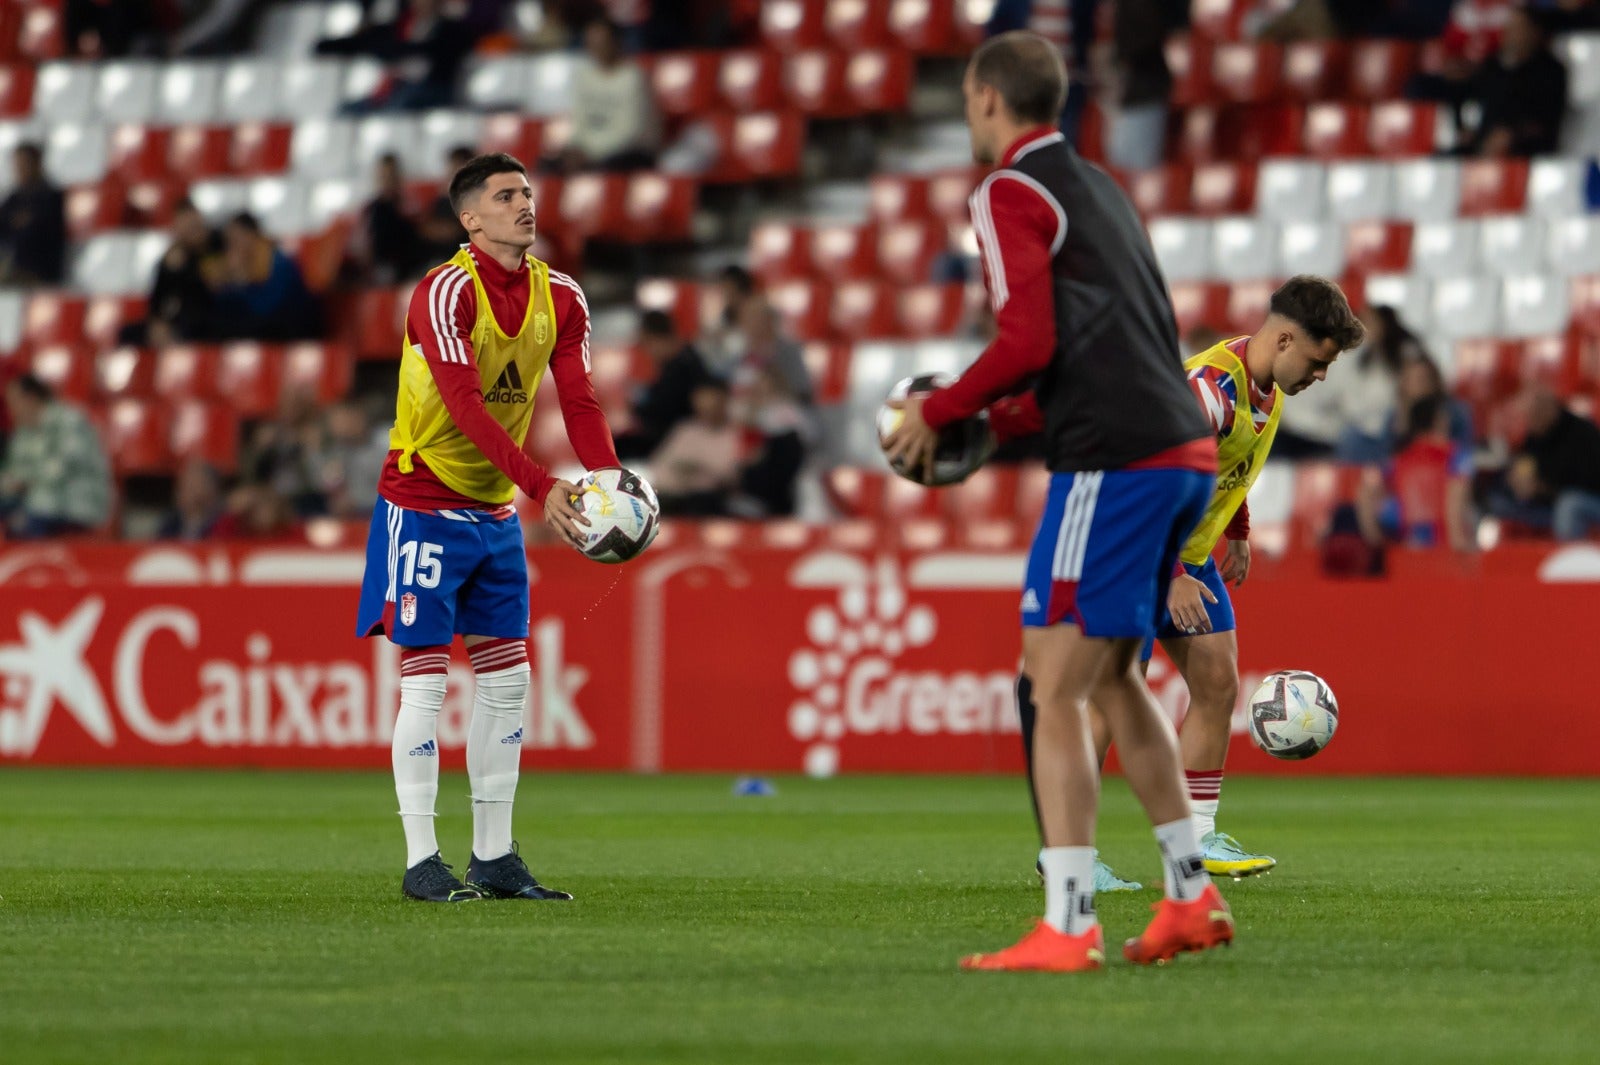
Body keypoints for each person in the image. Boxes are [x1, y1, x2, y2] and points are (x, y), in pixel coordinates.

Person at [884, 31, 1229, 973]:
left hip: (1112, 461)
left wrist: (941, 409)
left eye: (966, 97)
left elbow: (1028, 336)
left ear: (989, 98)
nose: (966, 114)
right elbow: (1125, 336)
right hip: (1179, 449)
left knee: (1053, 684)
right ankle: (1190, 894)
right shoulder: (1106, 187)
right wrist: (1000, 429)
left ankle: (1067, 921)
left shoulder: (1007, 190)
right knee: (1113, 678)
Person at [1008, 278, 1365, 890]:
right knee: (1112, 699)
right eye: (1318, 360)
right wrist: (1170, 573)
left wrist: (1240, 529)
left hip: (1187, 551)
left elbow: (1227, 466)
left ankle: (1199, 842)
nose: (1322, 375)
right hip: (1138, 548)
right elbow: (1154, 473)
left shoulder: (1266, 386)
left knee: (1218, 681)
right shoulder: (1208, 390)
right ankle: (1067, 854)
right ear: (1283, 339)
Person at [354, 152, 620, 903]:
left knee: (508, 681)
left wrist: (610, 488)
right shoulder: (443, 292)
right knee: (426, 682)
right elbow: (466, 409)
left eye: (528, 193)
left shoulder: (561, 297)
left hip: (495, 510)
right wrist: (543, 484)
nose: (525, 205)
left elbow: (582, 401)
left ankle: (495, 856)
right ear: (470, 218)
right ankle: (420, 859)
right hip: (425, 500)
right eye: (506, 196)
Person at [0, 374, 113, 538]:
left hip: (75, 502)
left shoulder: (70, 419)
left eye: (14, 401)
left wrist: (23, 481)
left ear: (31, 398)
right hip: (35, 501)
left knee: (24, 521)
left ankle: (37, 562)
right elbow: (14, 471)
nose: (10, 408)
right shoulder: (23, 431)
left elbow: (63, 467)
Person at [550, 17, 659, 172]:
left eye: (602, 42)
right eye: (591, 43)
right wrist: (575, 149)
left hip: (630, 152)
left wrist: (591, 154)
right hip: (591, 152)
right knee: (548, 165)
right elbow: (579, 121)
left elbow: (631, 132)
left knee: (600, 170)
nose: (597, 48)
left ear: (616, 42)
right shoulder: (583, 76)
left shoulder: (634, 77)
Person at [1496, 386, 1600, 540]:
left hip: (1586, 501)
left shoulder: (1583, 432)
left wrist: (1544, 487)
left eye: (1533, 415)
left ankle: (1568, 560)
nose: (1530, 422)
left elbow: (1589, 482)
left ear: (1548, 409)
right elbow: (1523, 466)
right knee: (1498, 502)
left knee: (1569, 504)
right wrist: (1516, 482)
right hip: (1544, 504)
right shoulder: (1534, 438)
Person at [121, 197, 222, 347]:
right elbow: (158, 301)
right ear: (177, 229)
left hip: (214, 314)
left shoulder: (220, 245)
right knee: (128, 333)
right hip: (181, 320)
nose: (192, 232)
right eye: (186, 227)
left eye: (194, 226)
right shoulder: (172, 260)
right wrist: (158, 323)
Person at [614, 309, 714, 459]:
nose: (647, 353)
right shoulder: (680, 361)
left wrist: (636, 407)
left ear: (655, 339)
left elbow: (662, 412)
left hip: (679, 440)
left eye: (646, 345)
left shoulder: (683, 366)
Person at [209, 212, 323, 341]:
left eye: (235, 239)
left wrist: (239, 282)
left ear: (252, 235)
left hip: (293, 326)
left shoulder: (277, 261)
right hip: (272, 322)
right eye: (229, 242)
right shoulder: (247, 264)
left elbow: (266, 306)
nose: (232, 247)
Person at [0, 143, 66, 286]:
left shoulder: (51, 196)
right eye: (17, 164)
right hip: (15, 266)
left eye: (24, 163)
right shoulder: (15, 197)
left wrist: (17, 225)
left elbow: (37, 232)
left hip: (39, 270)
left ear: (37, 164)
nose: (20, 169)